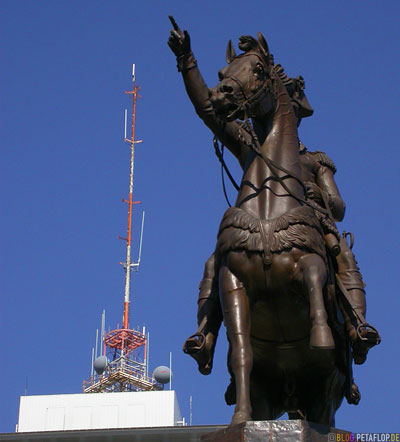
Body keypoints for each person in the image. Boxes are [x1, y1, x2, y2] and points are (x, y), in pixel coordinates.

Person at [168, 19, 379, 378]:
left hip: (309, 216)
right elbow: (206, 106)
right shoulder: (247, 145)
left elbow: (339, 207)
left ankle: (356, 326)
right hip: (251, 221)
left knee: (341, 253)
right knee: (214, 261)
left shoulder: (314, 159)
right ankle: (206, 335)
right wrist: (187, 59)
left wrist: (320, 195)